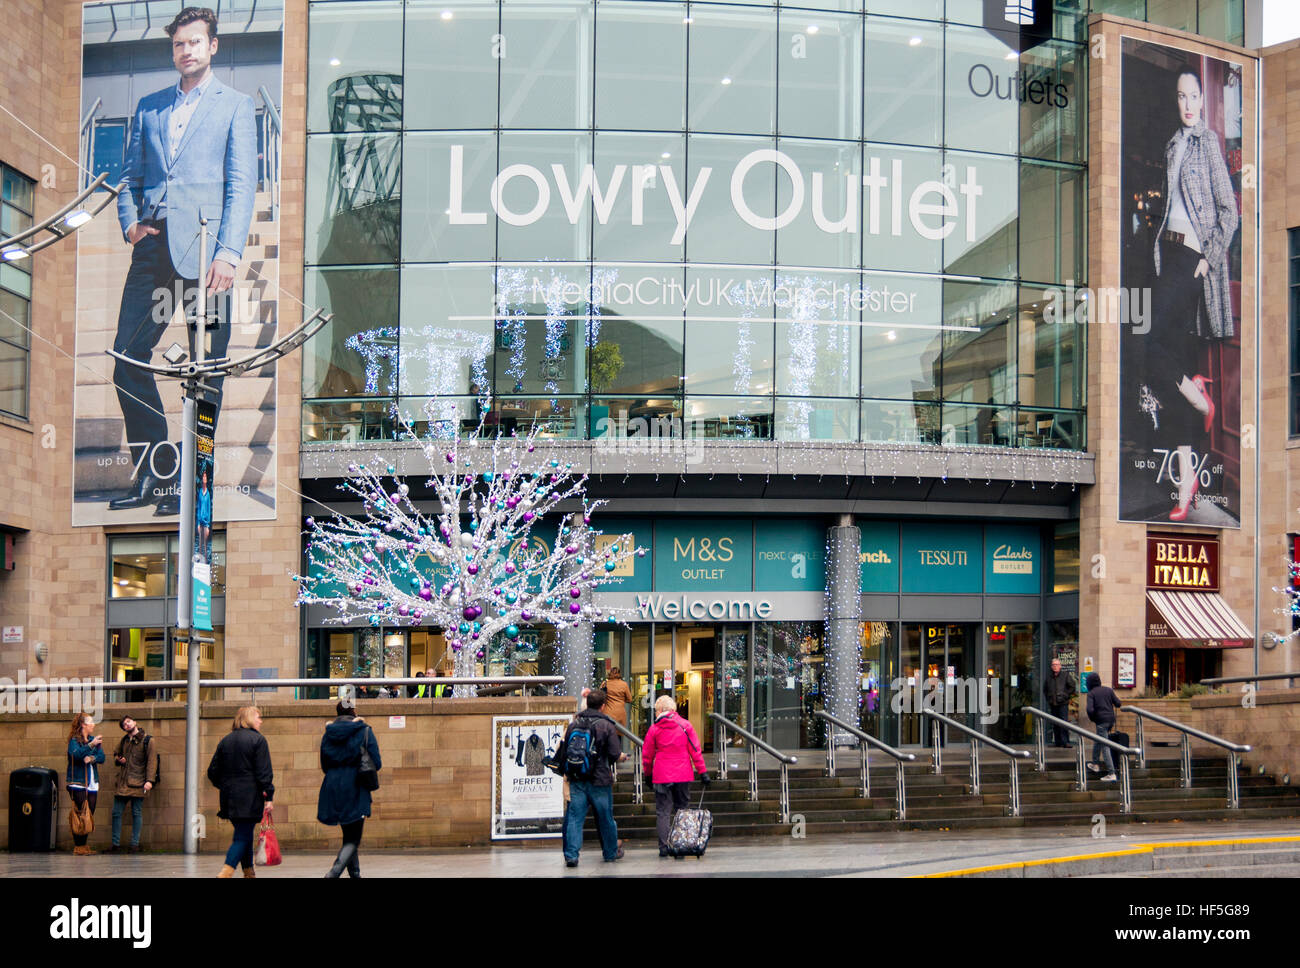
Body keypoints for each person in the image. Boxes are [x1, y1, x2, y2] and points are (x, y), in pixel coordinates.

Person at [107, 6, 257, 515]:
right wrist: (130, 223)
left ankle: (196, 487)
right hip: (153, 249)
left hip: (208, 257)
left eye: (195, 42)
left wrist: (229, 254)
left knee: (208, 369)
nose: (186, 50)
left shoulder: (235, 106)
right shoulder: (149, 107)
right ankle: (155, 470)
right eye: (179, 44)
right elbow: (129, 176)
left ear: (212, 47)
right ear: (173, 50)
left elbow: (241, 186)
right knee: (126, 359)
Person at [1149, 68, 1239, 522]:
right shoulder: (1172, 145)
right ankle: (1186, 487)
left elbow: (1229, 211)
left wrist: (1209, 257)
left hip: (1192, 262)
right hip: (1169, 257)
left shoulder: (1209, 145)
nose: (1187, 104)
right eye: (1180, 96)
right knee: (1176, 363)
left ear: (1203, 101)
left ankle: (1201, 398)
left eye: (1193, 96)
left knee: (1147, 346)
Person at [560, 688, 626, 868]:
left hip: (577, 778)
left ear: (587, 703)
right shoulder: (606, 725)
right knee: (606, 818)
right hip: (599, 780)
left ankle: (571, 855)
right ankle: (610, 852)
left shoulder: (574, 724)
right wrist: (619, 756)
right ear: (603, 706)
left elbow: (565, 752)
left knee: (575, 818)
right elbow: (613, 754)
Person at [206, 705, 274, 878]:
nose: (261, 720)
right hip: (250, 797)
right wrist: (269, 796)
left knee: (244, 833)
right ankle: (226, 872)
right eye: (258, 717)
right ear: (250, 719)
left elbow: (212, 771)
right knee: (241, 837)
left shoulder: (226, 740)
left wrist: (226, 785)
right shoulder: (258, 740)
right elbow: (264, 772)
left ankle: (249, 872)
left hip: (229, 797)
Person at [318, 699, 382, 878]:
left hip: (332, 787)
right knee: (354, 838)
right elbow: (376, 762)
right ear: (353, 711)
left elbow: (324, 764)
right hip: (356, 787)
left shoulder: (328, 734)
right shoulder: (364, 731)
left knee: (348, 835)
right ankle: (333, 873)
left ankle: (355, 875)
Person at [642, 694, 708, 858]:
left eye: (656, 711)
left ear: (660, 710)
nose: (656, 714)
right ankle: (680, 846)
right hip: (682, 773)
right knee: (682, 810)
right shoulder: (685, 726)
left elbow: (647, 755)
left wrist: (647, 774)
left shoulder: (654, 729)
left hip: (662, 774)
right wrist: (702, 771)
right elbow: (695, 750)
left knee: (663, 812)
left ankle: (664, 847)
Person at [110, 715, 160, 853]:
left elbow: (152, 761)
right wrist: (118, 759)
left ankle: (134, 845)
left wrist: (149, 781)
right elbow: (116, 754)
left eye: (128, 721)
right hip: (123, 782)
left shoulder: (148, 740)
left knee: (136, 813)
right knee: (116, 813)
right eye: (124, 724)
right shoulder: (124, 740)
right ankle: (115, 845)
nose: (127, 724)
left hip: (139, 782)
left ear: (135, 722)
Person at [66, 713, 105, 856]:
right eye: (90, 722)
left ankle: (83, 845)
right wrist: (90, 745)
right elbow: (75, 754)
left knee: (89, 814)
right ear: (83, 725)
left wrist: (93, 757)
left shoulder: (93, 740)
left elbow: (102, 757)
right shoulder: (74, 740)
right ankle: (78, 846)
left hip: (92, 782)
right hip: (78, 782)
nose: (93, 725)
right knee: (81, 813)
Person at [1085, 672, 1122, 783]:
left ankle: (1111, 773)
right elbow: (1118, 703)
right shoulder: (1108, 690)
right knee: (1098, 739)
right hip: (1110, 720)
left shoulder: (1091, 693)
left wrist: (1093, 718)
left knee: (1105, 746)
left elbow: (1090, 709)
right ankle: (1095, 763)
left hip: (1101, 721)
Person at [1042, 658, 1076, 748]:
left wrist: (1065, 695)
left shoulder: (1065, 675)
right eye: (1053, 665)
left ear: (1060, 666)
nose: (1055, 666)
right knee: (1055, 723)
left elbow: (1072, 687)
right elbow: (1045, 689)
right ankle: (1057, 742)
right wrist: (1049, 699)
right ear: (1051, 666)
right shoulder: (1049, 677)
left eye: (1057, 665)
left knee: (1063, 723)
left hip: (1062, 703)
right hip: (1053, 703)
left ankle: (1065, 742)